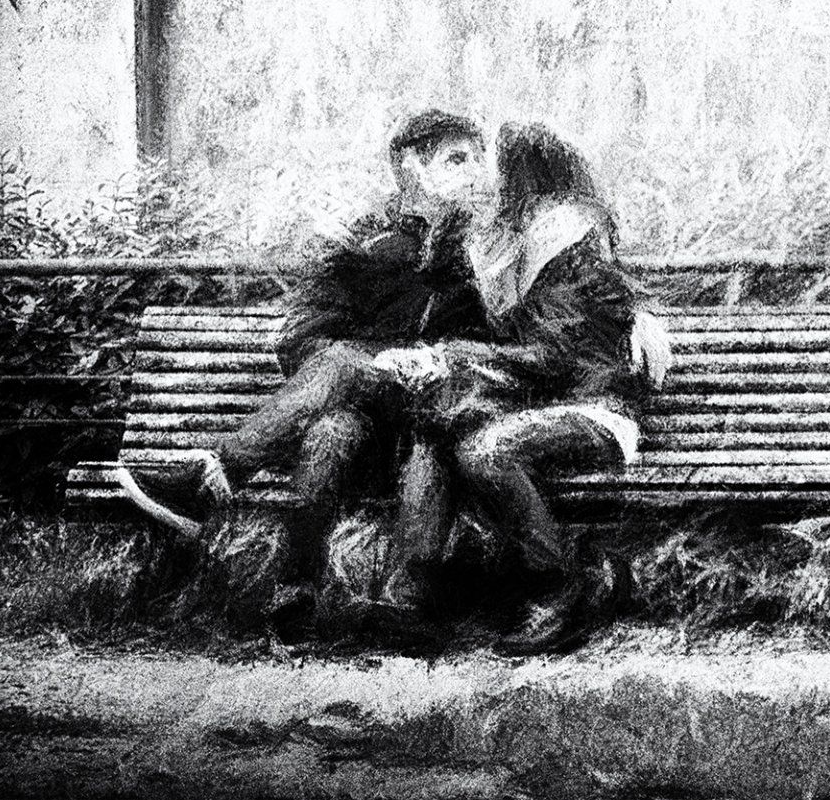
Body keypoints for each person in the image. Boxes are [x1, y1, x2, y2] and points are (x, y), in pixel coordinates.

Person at [117, 109, 495, 584]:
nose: (475, 173)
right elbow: (302, 339)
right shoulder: (361, 240)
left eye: (478, 160)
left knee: (344, 365)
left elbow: (499, 345)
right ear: (414, 168)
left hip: (437, 428)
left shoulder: (485, 250)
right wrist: (370, 366)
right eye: (457, 160)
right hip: (370, 430)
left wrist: (428, 361)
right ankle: (298, 589)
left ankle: (217, 473)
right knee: (330, 433)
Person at [380, 121, 661, 653]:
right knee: (436, 427)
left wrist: (456, 359)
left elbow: (554, 358)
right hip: (543, 405)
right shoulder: (521, 249)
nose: (485, 181)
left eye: (496, 171)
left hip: (594, 412)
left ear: (523, 181)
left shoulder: (570, 249)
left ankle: (557, 588)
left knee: (488, 451)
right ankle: (409, 595)